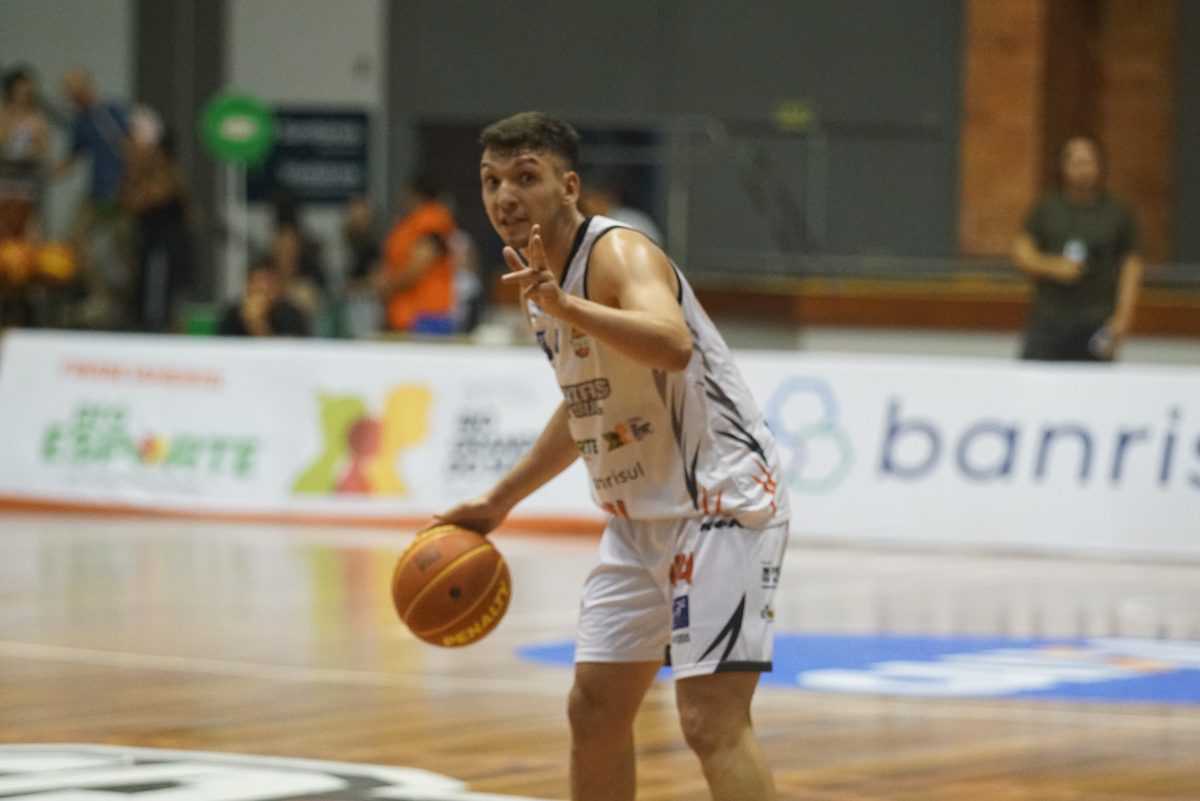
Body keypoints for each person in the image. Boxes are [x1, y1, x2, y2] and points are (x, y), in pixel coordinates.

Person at [437, 112, 789, 801]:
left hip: (720, 501)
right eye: (491, 181)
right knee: (594, 708)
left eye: (525, 177)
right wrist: (498, 502)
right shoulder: (540, 280)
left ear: (568, 186)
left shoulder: (618, 253)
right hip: (639, 517)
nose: (505, 196)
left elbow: (672, 344)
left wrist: (566, 306)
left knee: (710, 721)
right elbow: (586, 405)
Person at [1012, 136, 1144, 361]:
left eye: (1089, 163)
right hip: (1049, 320)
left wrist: (1123, 318)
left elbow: (1131, 266)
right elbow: (1021, 252)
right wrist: (1054, 267)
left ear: (1099, 166)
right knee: (1034, 377)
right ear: (1064, 167)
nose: (1083, 170)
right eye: (1077, 163)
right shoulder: (1046, 208)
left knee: (1094, 382)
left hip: (1097, 321)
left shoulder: (1117, 212)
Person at [55, 68, 133, 328]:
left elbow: (130, 146)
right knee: (75, 239)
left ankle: (130, 303)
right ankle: (99, 296)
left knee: (124, 248)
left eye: (73, 91)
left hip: (121, 192)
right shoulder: (81, 121)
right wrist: (47, 170)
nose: (71, 98)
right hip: (96, 192)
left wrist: (128, 184)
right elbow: (72, 157)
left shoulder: (111, 112)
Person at [120, 115, 194, 332]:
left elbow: (139, 202)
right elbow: (125, 202)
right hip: (151, 247)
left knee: (160, 309)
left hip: (164, 250)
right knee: (149, 305)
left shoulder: (169, 176)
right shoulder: (149, 175)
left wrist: (135, 168)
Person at [376, 176, 456, 333]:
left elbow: (419, 264)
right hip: (403, 314)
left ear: (415, 194)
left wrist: (387, 285)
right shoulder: (408, 222)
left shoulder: (432, 218)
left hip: (426, 315)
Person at [0, 66, 50, 242]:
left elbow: (43, 148)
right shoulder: (3, 114)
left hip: (29, 175)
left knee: (31, 225)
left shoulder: (37, 117)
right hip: (6, 174)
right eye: (20, 91)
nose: (24, 95)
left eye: (27, 92)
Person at [217, 256, 311, 338]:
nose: (262, 290)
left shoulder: (290, 314)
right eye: (256, 283)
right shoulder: (233, 314)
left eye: (267, 283)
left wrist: (257, 323)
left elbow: (289, 350)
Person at [578, 175, 663, 246]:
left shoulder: (630, 221)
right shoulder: (590, 223)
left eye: (592, 199)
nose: (589, 205)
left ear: (605, 198)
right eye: (586, 200)